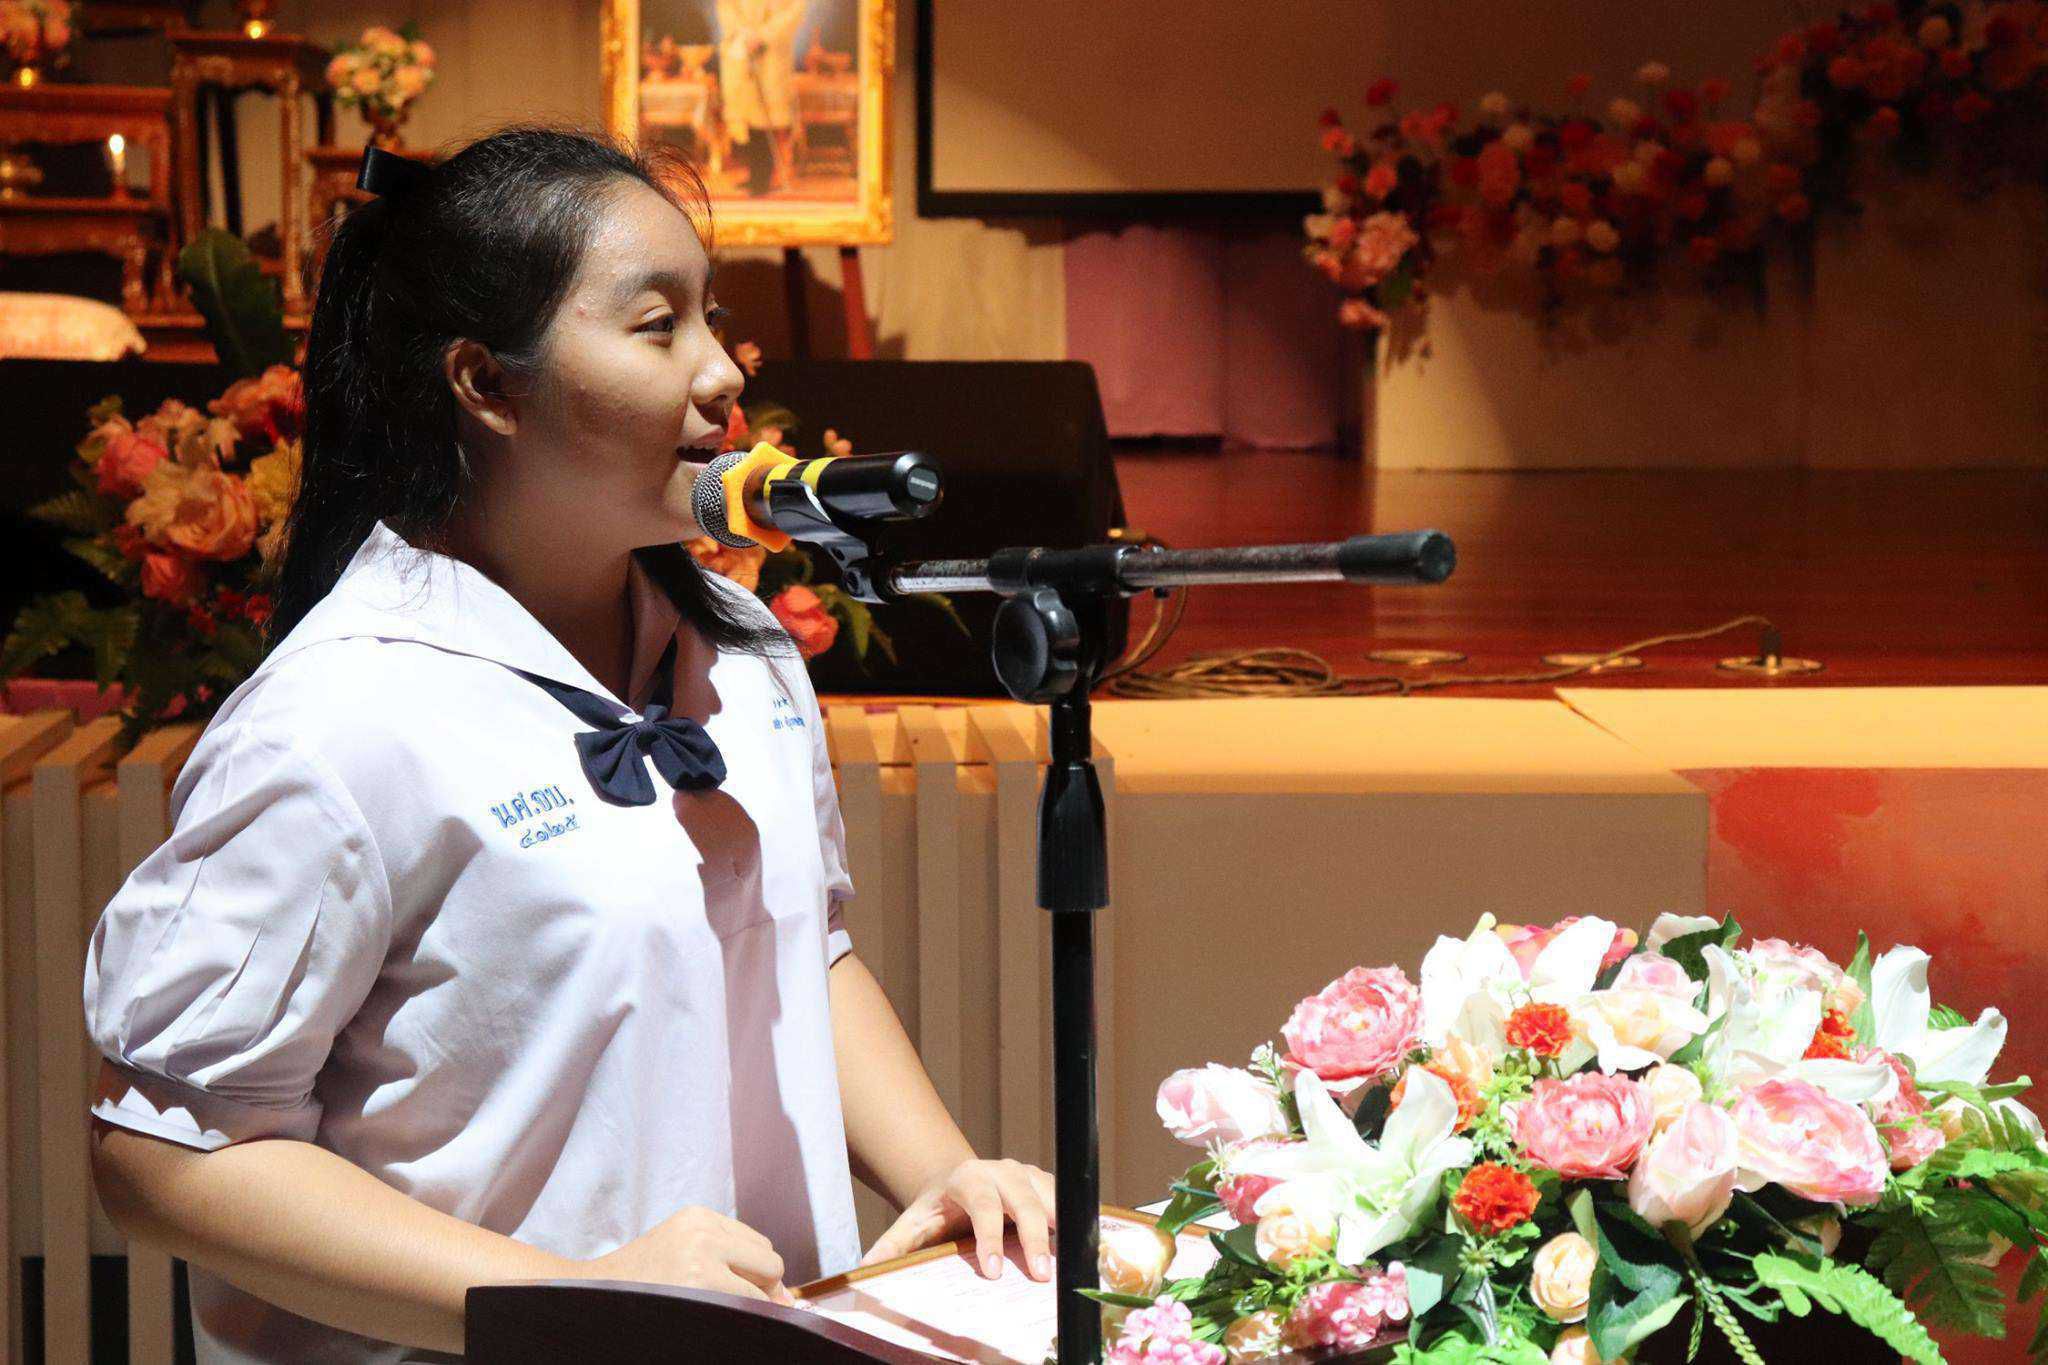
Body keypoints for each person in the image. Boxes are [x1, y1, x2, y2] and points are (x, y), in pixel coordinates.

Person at [83, 123, 1053, 1364]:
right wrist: (569, 1294)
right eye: (657, 326)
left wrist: (944, 1176)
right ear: (486, 385)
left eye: (713, 319)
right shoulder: (338, 720)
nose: (721, 374)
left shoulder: (746, 652)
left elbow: (798, 948)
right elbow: (162, 1155)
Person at [716, 0, 803, 193]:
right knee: (747, 118)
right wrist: (743, 34)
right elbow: (727, 7)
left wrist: (763, 36)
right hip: (741, 50)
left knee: (766, 118)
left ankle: (765, 179)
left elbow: (792, 12)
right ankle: (755, 175)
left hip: (771, 55)